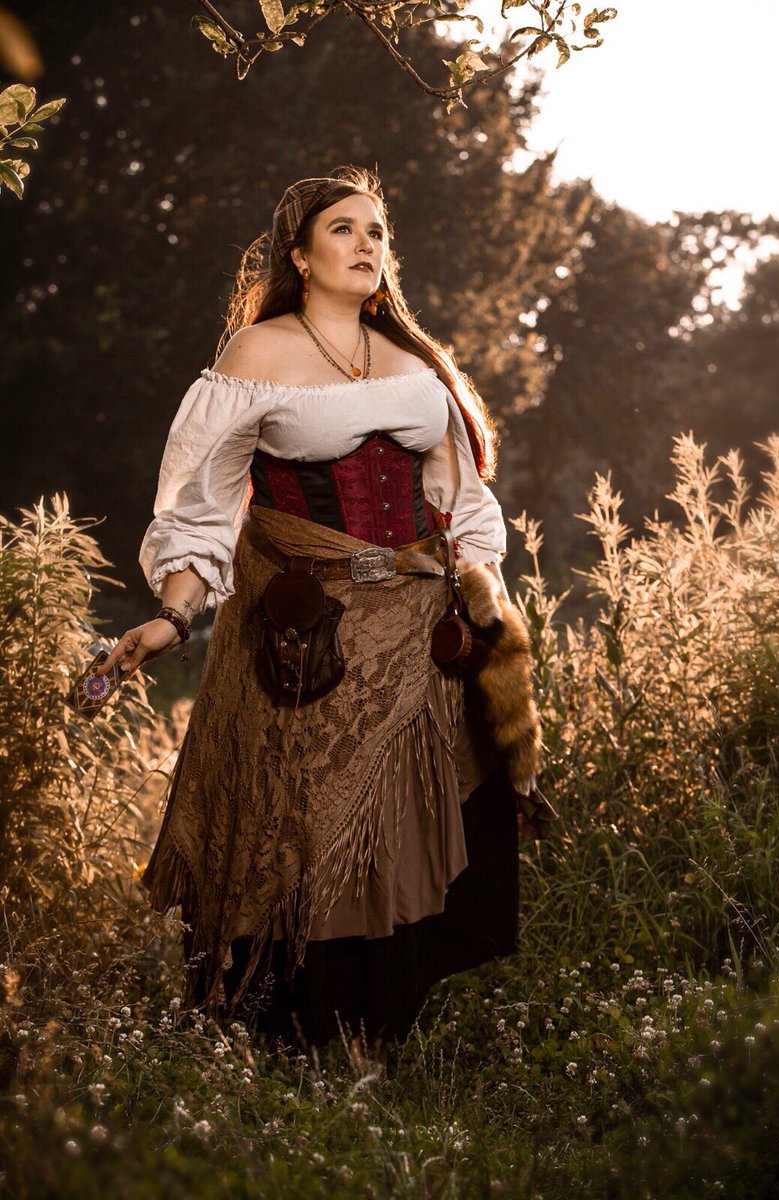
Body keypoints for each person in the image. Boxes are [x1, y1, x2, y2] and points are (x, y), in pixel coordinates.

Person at [97, 165, 553, 1074]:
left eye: (377, 231)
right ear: (300, 256)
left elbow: (464, 504)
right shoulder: (256, 355)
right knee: (302, 825)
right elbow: (201, 503)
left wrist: (488, 609)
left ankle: (374, 1034)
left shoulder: (417, 367)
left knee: (398, 824)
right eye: (343, 228)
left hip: (416, 631)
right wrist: (174, 618)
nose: (365, 244)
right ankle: (290, 1033)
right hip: (304, 638)